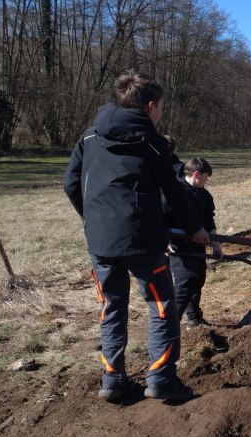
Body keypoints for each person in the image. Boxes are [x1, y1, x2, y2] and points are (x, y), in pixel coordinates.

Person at [63, 69, 209, 403]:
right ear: (150, 106)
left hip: (100, 243)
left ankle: (113, 380)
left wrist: (93, 218)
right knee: (161, 306)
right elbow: (175, 192)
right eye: (161, 108)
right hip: (143, 242)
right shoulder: (152, 144)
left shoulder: (89, 137)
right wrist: (196, 229)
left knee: (111, 308)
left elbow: (71, 183)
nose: (161, 114)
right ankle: (160, 378)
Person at [167, 157, 222, 330]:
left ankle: (194, 319)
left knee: (197, 280)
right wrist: (164, 241)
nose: (207, 180)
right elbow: (160, 218)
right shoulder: (175, 193)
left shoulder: (204, 195)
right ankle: (167, 327)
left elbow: (209, 222)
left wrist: (216, 244)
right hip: (178, 247)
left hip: (198, 246)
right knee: (185, 283)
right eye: (206, 176)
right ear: (197, 174)